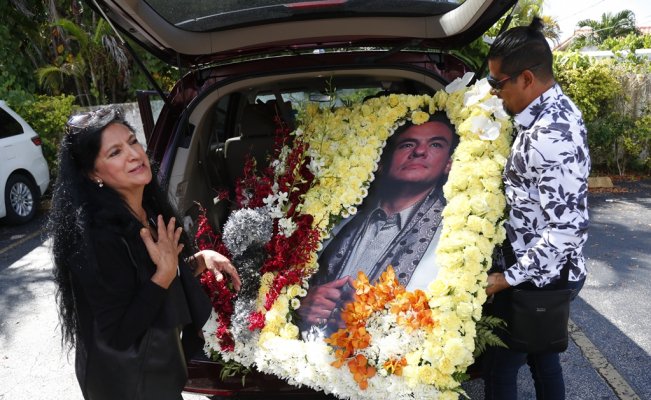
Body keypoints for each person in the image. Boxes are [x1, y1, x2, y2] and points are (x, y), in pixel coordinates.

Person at [49, 106, 241, 400]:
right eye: (114, 153)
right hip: (126, 386)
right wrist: (164, 274)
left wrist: (200, 260)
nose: (134, 154)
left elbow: (146, 277)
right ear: (92, 174)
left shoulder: (147, 211)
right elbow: (119, 334)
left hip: (158, 374)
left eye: (132, 141)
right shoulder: (95, 237)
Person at [482, 18, 590, 400]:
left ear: (526, 78)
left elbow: (566, 231)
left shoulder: (549, 136)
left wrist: (506, 279)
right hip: (539, 269)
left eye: (498, 83)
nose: (494, 93)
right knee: (544, 358)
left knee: (501, 368)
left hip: (540, 275)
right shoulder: (550, 111)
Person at [298, 111, 459, 334]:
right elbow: (292, 283)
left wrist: (374, 323)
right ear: (384, 160)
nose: (420, 152)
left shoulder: (454, 232)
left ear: (448, 164)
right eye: (407, 145)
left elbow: (442, 318)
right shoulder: (339, 214)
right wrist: (302, 303)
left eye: (436, 145)